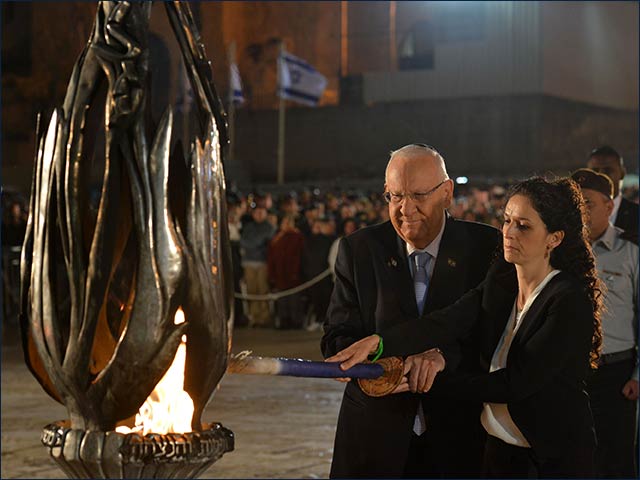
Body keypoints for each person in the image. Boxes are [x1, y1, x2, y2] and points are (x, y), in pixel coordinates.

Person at [329, 176, 603, 478]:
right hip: (499, 452)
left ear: (554, 238)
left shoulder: (567, 300)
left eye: (523, 226)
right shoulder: (503, 278)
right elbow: (449, 320)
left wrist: (429, 378)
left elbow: (513, 384)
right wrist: (379, 343)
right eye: (507, 220)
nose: (509, 233)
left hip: (551, 458)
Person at [321, 143, 500, 478]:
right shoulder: (359, 249)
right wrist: (378, 367)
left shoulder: (486, 248)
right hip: (374, 436)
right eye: (395, 196)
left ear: (447, 193)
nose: (406, 209)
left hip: (458, 434)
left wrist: (443, 356)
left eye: (418, 195)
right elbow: (336, 336)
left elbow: (496, 337)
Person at [572, 168, 638, 478]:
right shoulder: (561, 252)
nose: (581, 211)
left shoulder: (630, 252)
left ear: (609, 206)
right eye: (575, 203)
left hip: (617, 374)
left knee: (617, 457)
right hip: (572, 371)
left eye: (588, 203)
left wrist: (638, 375)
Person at [587, 146, 638, 239]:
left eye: (608, 170)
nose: (601, 176)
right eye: (595, 171)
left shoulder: (636, 215)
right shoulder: (574, 216)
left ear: (622, 173)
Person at [267, 214, 306, 329]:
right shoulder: (277, 238)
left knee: (294, 298)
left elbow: (300, 255)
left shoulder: (298, 236)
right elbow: (271, 256)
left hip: (293, 273)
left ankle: (295, 320)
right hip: (280, 273)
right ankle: (284, 320)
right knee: (282, 299)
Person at [240, 204, 275, 327]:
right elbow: (244, 241)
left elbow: (262, 241)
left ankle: (264, 317)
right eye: (257, 212)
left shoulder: (269, 227)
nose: (259, 215)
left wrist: (254, 243)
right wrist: (256, 243)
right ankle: (254, 317)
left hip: (262, 262)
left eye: (262, 212)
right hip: (249, 262)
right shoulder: (248, 227)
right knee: (252, 290)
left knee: (263, 290)